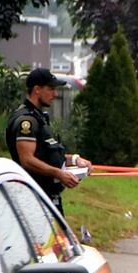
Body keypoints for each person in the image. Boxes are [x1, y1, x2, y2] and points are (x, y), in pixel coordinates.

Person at [6, 68, 92, 215]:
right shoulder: (26, 121)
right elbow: (27, 160)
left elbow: (46, 155)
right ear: (37, 89)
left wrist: (75, 160)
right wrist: (59, 174)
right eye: (51, 89)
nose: (55, 94)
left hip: (49, 199)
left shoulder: (39, 118)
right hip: (34, 201)